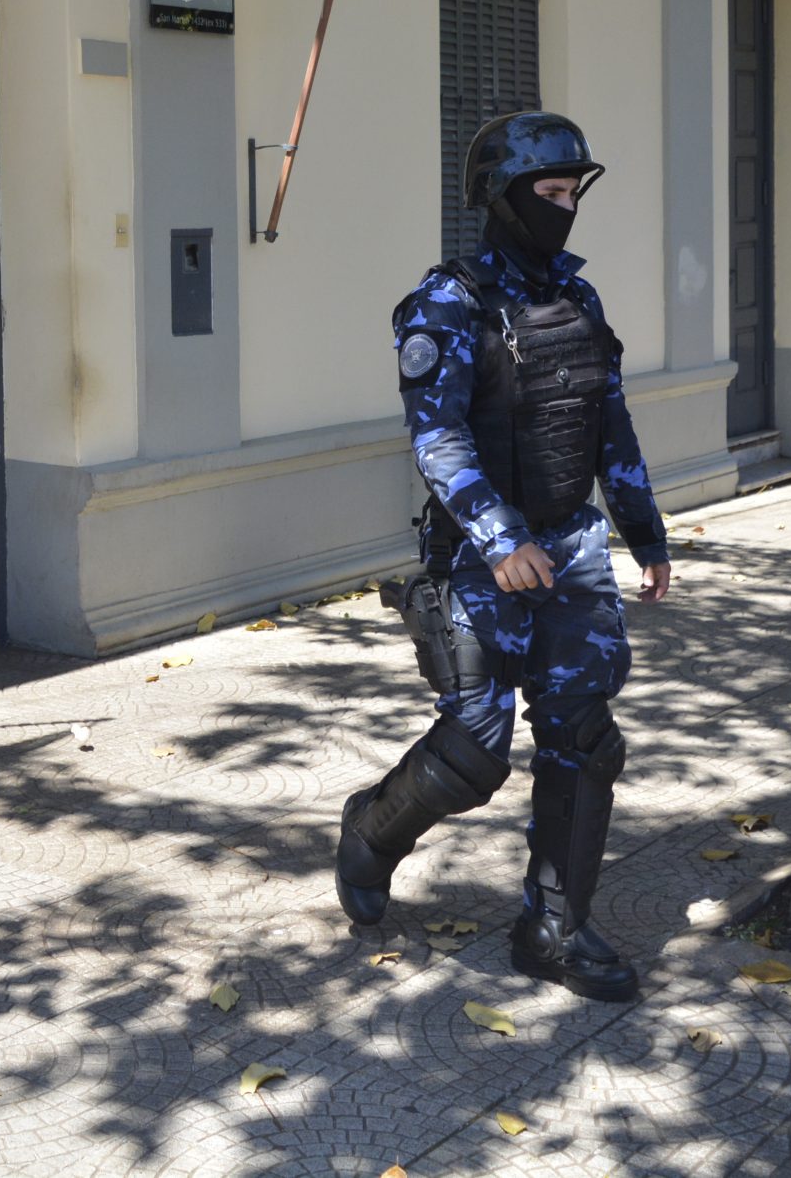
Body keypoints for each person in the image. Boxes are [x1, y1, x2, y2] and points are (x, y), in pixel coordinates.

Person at [336, 111, 671, 1000]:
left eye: (572, 193)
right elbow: (437, 438)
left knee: (583, 735)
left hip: (571, 545)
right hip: (479, 557)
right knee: (475, 748)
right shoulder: (445, 304)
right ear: (502, 197)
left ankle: (553, 927)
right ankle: (371, 830)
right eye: (549, 194)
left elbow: (610, 422)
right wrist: (500, 535)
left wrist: (645, 532)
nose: (565, 209)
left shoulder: (578, 299)